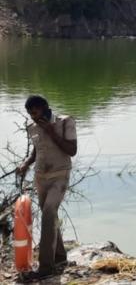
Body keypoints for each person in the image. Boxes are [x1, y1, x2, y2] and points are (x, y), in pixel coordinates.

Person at [16, 95, 77, 282]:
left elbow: (72, 150)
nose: (32, 117)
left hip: (60, 175)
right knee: (49, 215)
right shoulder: (32, 127)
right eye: (29, 113)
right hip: (41, 178)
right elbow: (37, 149)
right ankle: (59, 257)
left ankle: (46, 268)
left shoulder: (64, 122)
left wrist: (51, 131)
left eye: (34, 112)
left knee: (49, 212)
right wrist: (26, 163)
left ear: (44, 108)